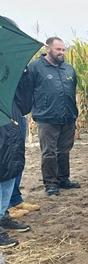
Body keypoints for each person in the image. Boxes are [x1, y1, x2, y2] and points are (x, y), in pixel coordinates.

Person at [26, 37, 80, 196]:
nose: (61, 52)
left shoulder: (69, 69)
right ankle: (50, 183)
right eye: (58, 49)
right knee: (49, 152)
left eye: (63, 49)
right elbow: (27, 90)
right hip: (47, 118)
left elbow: (73, 88)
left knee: (64, 151)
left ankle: (63, 179)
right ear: (48, 48)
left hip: (68, 117)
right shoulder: (35, 67)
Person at [0, 66, 33, 235]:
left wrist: (23, 75)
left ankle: (3, 216)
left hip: (11, 131)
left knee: (9, 173)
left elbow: (25, 105)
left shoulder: (9, 71)